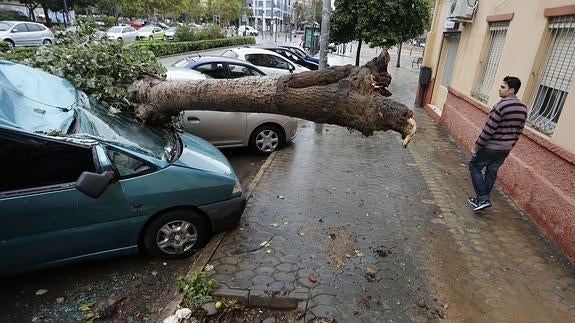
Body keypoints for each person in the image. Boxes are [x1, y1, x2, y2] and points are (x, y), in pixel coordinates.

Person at [468, 76, 527, 211]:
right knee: (491, 172)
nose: (499, 89)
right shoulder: (523, 108)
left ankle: (483, 198)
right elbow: (519, 131)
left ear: (511, 90)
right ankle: (480, 200)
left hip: (490, 147)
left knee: (474, 166)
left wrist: (477, 147)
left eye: (502, 87)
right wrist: (510, 146)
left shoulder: (500, 106)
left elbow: (488, 130)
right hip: (505, 149)